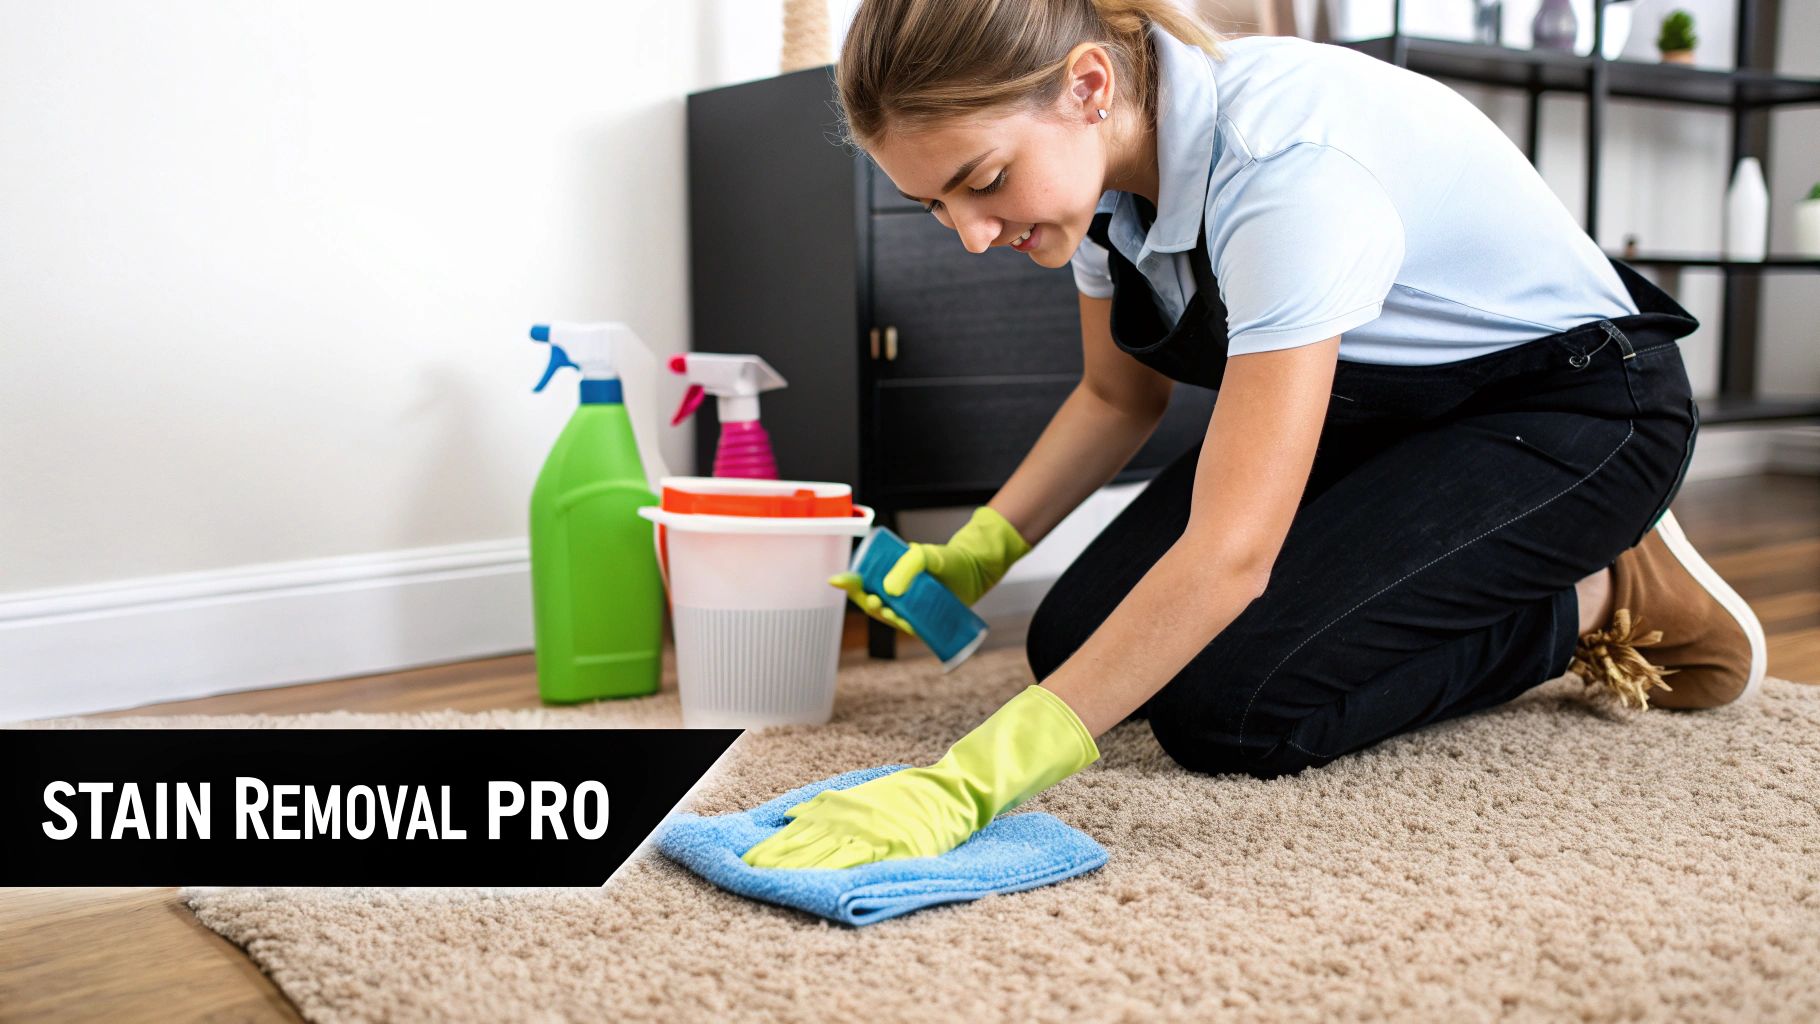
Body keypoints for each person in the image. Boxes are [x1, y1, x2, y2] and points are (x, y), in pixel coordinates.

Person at [742, 0, 1766, 871]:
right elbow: (1114, 399)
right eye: (934, 205)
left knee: (1236, 711)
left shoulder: (1284, 170)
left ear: (1087, 87)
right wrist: (975, 553)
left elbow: (1231, 557)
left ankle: (1600, 588)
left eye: (982, 179)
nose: (970, 233)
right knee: (1069, 643)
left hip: (1574, 411)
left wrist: (966, 785)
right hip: (1389, 410)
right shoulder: (1097, 191)